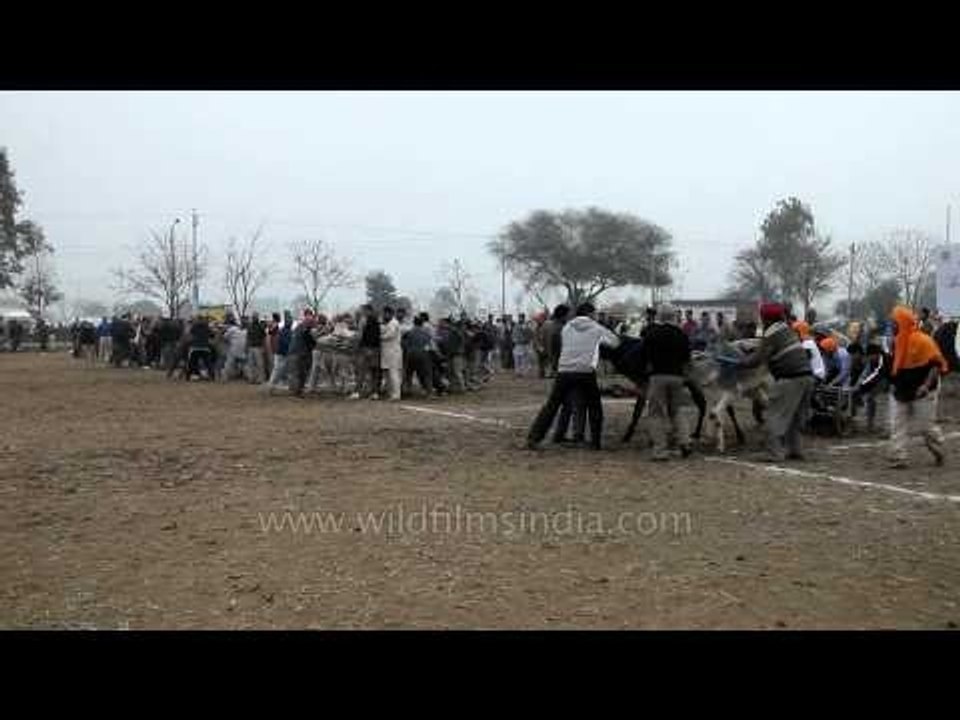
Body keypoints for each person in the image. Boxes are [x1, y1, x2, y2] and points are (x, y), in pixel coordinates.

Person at [527, 302, 620, 451]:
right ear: (590, 314)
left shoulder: (567, 328)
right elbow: (615, 342)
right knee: (594, 406)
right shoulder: (596, 327)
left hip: (564, 370)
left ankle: (534, 438)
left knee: (552, 405)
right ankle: (595, 442)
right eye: (594, 313)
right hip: (585, 371)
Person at [738, 303, 815, 462]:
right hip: (807, 377)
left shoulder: (771, 333)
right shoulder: (787, 328)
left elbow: (757, 360)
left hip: (790, 379)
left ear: (766, 318)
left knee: (774, 416)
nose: (761, 319)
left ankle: (774, 454)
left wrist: (741, 362)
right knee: (794, 417)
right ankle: (795, 450)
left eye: (762, 316)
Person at [887, 305, 949, 469]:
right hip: (902, 389)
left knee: (926, 427)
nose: (892, 325)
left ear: (903, 322)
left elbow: (935, 365)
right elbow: (895, 367)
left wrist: (926, 386)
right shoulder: (896, 342)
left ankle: (938, 446)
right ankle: (898, 457)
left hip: (923, 390)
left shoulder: (923, 340)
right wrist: (893, 384)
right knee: (896, 424)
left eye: (894, 322)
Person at [638, 304, 693, 461]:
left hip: (658, 376)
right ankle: (685, 442)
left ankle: (660, 451)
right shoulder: (681, 334)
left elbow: (643, 356)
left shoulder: (652, 333)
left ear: (660, 316)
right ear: (673, 316)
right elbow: (687, 359)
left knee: (656, 414)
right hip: (677, 377)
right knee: (677, 411)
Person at [853, 342, 891, 434]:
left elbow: (876, 375)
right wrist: (858, 385)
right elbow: (866, 373)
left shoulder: (884, 359)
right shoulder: (872, 360)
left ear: (876, 354)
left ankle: (886, 428)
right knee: (869, 398)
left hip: (889, 379)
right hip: (879, 379)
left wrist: (861, 385)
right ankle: (870, 424)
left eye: (870, 356)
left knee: (877, 399)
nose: (869, 358)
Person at [402, 315, 436, 397]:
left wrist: (408, 349)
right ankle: (429, 392)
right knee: (427, 374)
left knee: (408, 373)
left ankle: (407, 390)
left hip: (411, 355)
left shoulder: (409, 332)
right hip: (423, 355)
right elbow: (430, 345)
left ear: (414, 323)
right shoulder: (426, 333)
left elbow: (403, 342)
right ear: (422, 324)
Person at [287, 310, 317, 398]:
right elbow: (308, 338)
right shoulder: (305, 326)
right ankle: (297, 392)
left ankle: (297, 391)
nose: (310, 319)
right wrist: (315, 343)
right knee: (300, 373)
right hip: (299, 352)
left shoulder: (300, 326)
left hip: (297, 352)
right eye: (309, 317)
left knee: (299, 372)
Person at [356, 304, 382, 399]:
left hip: (366, 348)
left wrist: (357, 346)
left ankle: (358, 392)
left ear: (367, 310)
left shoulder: (363, 320)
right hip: (376, 349)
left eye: (364, 310)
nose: (363, 312)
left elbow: (360, 335)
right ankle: (374, 393)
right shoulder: (378, 320)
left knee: (361, 371)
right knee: (374, 372)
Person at [380, 306, 403, 401]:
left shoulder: (394, 323)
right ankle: (390, 392)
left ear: (390, 313)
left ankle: (397, 394)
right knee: (388, 373)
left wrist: (379, 336)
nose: (384, 315)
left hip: (393, 351)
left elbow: (390, 335)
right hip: (387, 351)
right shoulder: (388, 323)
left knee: (394, 373)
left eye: (385, 313)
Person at [265, 311, 293, 391]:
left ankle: (279, 383)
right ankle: (271, 386)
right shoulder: (280, 328)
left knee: (281, 369)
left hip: (280, 351)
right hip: (281, 352)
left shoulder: (282, 329)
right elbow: (283, 342)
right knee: (277, 369)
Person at [544, 304, 570, 378]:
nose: (568, 317)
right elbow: (556, 346)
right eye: (567, 315)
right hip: (559, 360)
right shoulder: (559, 327)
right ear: (563, 316)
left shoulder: (553, 325)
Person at [246, 312, 267, 384]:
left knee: (260, 364)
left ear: (257, 318)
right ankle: (251, 378)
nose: (254, 318)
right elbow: (248, 337)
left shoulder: (260, 326)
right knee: (251, 364)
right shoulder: (249, 326)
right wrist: (246, 346)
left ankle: (260, 379)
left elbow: (264, 337)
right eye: (253, 317)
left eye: (255, 317)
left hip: (258, 347)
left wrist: (264, 347)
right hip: (251, 347)